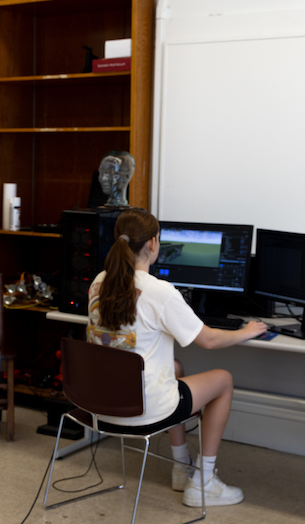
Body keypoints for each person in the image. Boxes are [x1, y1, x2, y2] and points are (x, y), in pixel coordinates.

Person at [86, 208, 267, 507]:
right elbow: (209, 340)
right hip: (141, 410)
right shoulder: (160, 292)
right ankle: (205, 482)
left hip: (98, 404)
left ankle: (180, 467)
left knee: (176, 367)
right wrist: (246, 331)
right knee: (223, 380)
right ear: (154, 244)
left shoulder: (99, 281)